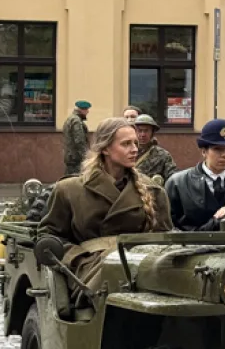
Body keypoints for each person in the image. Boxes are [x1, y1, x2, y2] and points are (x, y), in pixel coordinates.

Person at [40, 117, 172, 288]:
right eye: (126, 144)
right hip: (88, 273)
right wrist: (78, 259)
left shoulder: (152, 190)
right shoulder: (69, 190)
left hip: (141, 270)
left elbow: (164, 238)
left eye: (135, 143)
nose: (134, 150)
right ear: (105, 149)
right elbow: (50, 237)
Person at [166, 118, 225, 231]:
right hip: (190, 246)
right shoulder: (178, 183)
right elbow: (168, 225)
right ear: (204, 151)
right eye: (218, 149)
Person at [133, 114, 178, 183]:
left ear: (152, 133)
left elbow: (173, 178)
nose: (142, 134)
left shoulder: (163, 155)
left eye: (146, 131)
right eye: (139, 130)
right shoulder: (127, 152)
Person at [61, 100, 91, 178]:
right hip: (75, 157)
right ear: (81, 110)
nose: (88, 112)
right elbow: (79, 141)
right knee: (74, 179)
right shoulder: (76, 121)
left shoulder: (70, 119)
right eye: (86, 109)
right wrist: (85, 156)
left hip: (70, 155)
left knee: (68, 178)